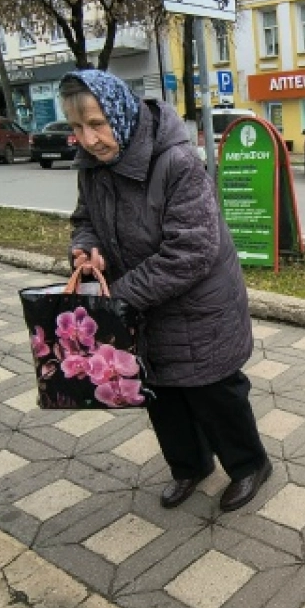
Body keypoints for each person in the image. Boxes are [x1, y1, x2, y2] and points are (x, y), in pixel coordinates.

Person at [64, 70, 272, 513]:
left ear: (118, 113)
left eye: (97, 124)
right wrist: (86, 250)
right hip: (141, 308)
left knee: (215, 393)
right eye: (77, 127)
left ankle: (249, 465)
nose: (89, 139)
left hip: (198, 309)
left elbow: (191, 252)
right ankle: (189, 467)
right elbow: (85, 219)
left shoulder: (176, 162)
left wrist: (117, 294)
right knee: (162, 397)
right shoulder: (93, 168)